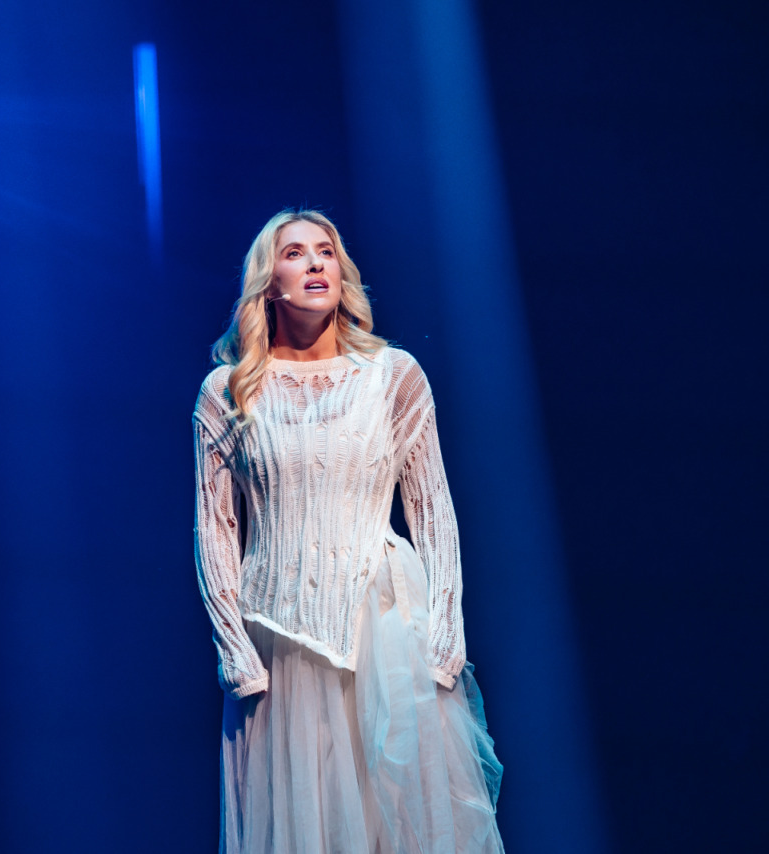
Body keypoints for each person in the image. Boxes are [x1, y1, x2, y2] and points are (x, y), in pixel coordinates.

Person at [193, 209, 504, 853]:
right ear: (268, 284)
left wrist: (445, 635)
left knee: (401, 824)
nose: (315, 263)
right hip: (278, 645)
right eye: (295, 253)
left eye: (326, 251)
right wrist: (235, 651)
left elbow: (433, 510)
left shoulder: (393, 376)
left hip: (386, 631)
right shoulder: (228, 392)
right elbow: (215, 528)